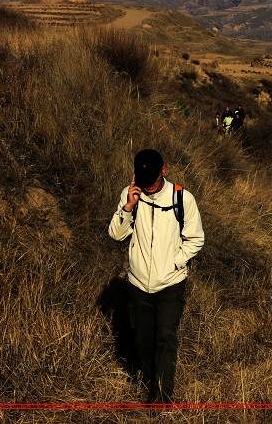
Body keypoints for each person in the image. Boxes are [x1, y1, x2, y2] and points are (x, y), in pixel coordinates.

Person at [108, 149, 205, 404]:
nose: (148, 186)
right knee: (142, 340)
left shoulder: (182, 198)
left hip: (170, 285)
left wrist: (175, 262)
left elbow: (196, 239)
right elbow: (116, 235)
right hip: (138, 284)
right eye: (143, 179)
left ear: (164, 170)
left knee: (165, 338)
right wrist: (128, 207)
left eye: (152, 179)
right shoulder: (131, 195)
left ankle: (160, 398)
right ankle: (149, 379)